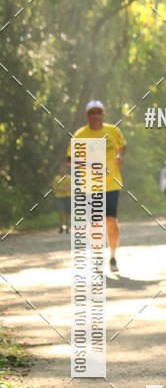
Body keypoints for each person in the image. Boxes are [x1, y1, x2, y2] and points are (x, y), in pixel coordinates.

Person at [67, 100, 126, 273]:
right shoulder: (80, 135)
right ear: (87, 116)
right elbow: (70, 159)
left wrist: (120, 156)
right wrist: (88, 165)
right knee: (95, 223)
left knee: (110, 220)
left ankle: (112, 257)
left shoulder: (113, 130)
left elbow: (122, 146)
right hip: (90, 186)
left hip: (111, 183)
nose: (95, 116)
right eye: (92, 113)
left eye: (98, 112)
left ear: (103, 114)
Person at [52, 162, 71, 233]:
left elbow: (71, 187)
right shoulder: (56, 178)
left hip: (68, 196)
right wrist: (60, 189)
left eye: (64, 169)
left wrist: (65, 189)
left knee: (68, 212)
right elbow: (54, 187)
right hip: (59, 197)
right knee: (61, 211)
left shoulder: (69, 178)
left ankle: (67, 226)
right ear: (59, 170)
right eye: (61, 169)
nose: (62, 170)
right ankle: (61, 226)